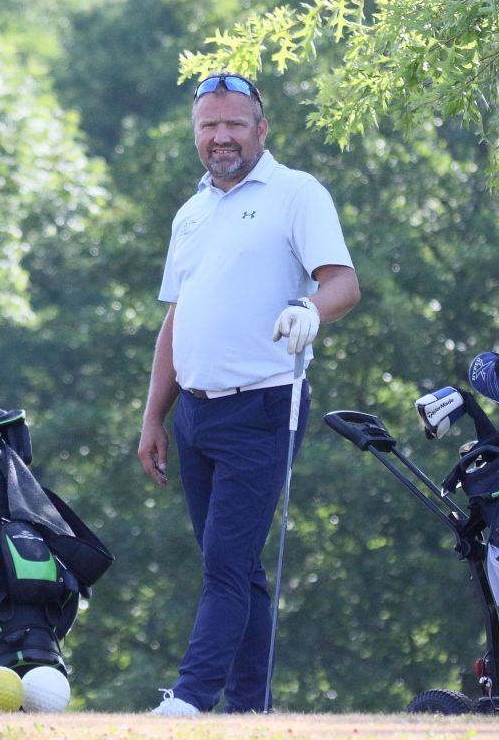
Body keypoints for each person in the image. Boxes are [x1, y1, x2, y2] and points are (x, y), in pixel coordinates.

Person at [137, 73, 360, 715]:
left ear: (261, 130)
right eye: (209, 126)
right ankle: (248, 707)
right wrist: (154, 417)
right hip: (195, 415)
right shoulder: (192, 212)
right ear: (195, 135)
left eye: (234, 124)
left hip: (263, 405)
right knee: (236, 566)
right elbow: (176, 319)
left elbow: (342, 284)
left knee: (226, 562)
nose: (221, 136)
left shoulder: (297, 193)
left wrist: (310, 310)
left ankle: (191, 698)